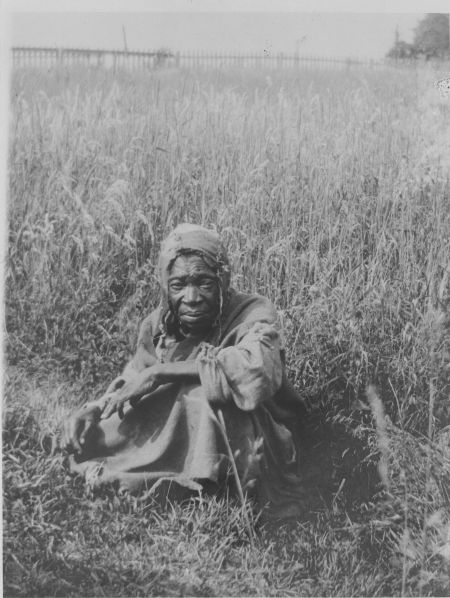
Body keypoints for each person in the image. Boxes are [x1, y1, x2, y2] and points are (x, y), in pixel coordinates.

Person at [64, 223, 307, 518]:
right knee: (105, 428)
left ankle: (201, 485)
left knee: (202, 396)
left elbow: (257, 370)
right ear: (167, 286)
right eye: (179, 285)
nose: (191, 298)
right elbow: (134, 379)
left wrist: (162, 374)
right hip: (177, 426)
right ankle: (147, 473)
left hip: (246, 435)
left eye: (203, 282)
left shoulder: (252, 312)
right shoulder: (161, 324)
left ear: (222, 281)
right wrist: (100, 406)